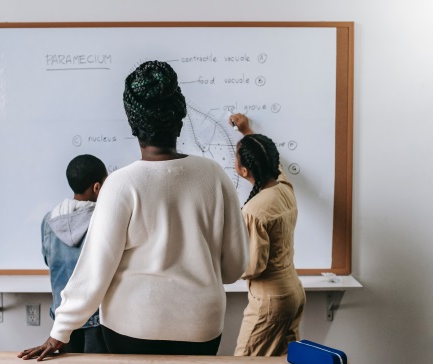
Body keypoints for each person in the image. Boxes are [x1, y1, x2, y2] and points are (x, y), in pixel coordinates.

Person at [18, 60, 249, 360]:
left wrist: (60, 332)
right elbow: (234, 268)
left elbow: (93, 272)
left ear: (132, 125)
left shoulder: (119, 184)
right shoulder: (214, 176)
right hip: (201, 328)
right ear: (179, 119)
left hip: (131, 330)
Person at [229, 113, 306, 356]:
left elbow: (254, 266)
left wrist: (220, 262)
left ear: (243, 171)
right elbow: (274, 164)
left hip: (271, 301)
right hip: (292, 292)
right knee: (284, 360)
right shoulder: (284, 188)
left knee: (245, 360)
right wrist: (247, 131)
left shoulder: (254, 210)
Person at [41, 154, 108, 354]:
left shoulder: (49, 219)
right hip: (96, 317)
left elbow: (48, 259)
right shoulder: (104, 220)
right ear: (97, 187)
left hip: (62, 317)